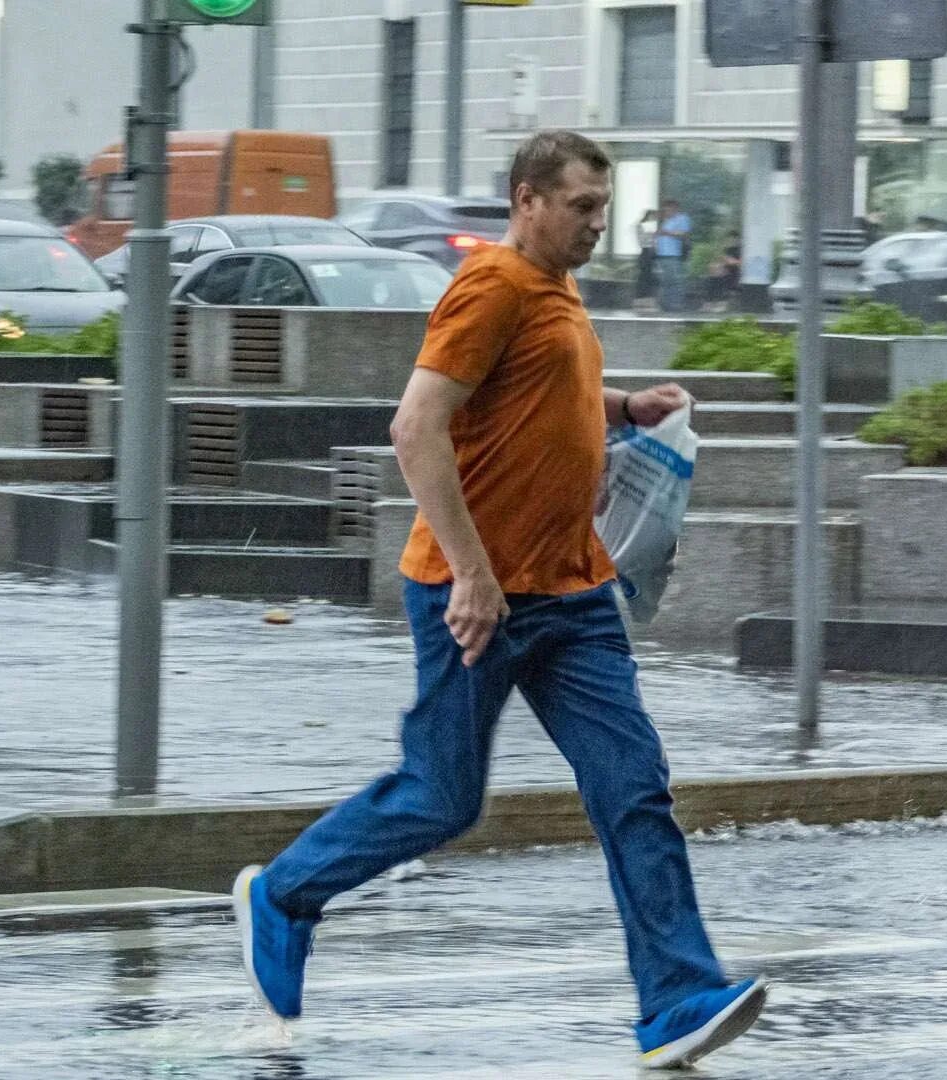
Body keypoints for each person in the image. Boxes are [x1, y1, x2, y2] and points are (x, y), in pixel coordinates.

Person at [230, 130, 768, 1071]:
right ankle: (283, 893)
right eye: (583, 207)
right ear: (528, 199)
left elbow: (532, 396)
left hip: (575, 592)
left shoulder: (556, 291)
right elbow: (417, 425)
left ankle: (677, 1000)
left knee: (633, 790)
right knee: (441, 799)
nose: (599, 225)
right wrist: (475, 575)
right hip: (474, 595)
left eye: (603, 208)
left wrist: (625, 407)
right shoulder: (492, 286)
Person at [654, 199, 693, 312]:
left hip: (673, 254)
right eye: (665, 210)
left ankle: (676, 304)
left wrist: (666, 233)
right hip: (663, 255)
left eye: (668, 209)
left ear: (674, 208)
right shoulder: (667, 220)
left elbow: (683, 233)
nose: (666, 212)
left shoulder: (682, 218)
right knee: (666, 281)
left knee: (675, 280)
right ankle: (666, 305)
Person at [702, 236, 743, 311]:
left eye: (733, 239)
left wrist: (729, 261)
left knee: (723, 279)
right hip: (725, 272)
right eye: (730, 239)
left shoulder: (742, 251)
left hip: (736, 274)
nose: (731, 241)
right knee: (711, 278)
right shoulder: (728, 250)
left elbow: (739, 263)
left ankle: (722, 304)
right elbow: (720, 261)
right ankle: (709, 303)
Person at [634, 209, 660, 307]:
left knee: (645, 275)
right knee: (646, 275)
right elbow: (650, 239)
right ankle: (644, 297)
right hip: (648, 251)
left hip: (646, 251)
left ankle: (643, 297)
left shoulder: (641, 226)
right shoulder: (647, 226)